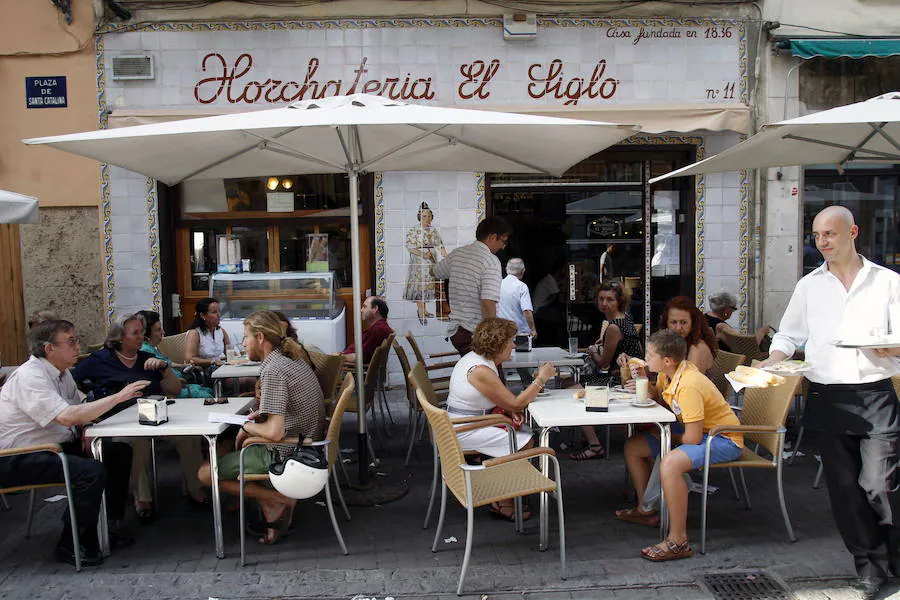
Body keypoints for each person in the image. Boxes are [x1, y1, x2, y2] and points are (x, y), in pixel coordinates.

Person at [759, 205, 900, 600]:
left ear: (853, 232)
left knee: (880, 485)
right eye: (817, 236)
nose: (822, 242)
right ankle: (870, 569)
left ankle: (894, 554)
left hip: (875, 394)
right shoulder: (809, 286)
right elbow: (789, 336)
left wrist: (889, 347)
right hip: (827, 397)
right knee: (845, 493)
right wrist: (771, 361)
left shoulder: (888, 283)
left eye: (830, 234)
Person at [0, 320, 147, 566]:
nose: (78, 346)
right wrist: (119, 396)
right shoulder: (30, 376)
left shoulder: (62, 372)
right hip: (16, 456)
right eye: (71, 341)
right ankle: (73, 541)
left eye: (76, 340)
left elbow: (79, 410)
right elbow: (66, 415)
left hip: (53, 447)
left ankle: (108, 524)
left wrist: (84, 429)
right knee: (90, 472)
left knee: (118, 452)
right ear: (49, 349)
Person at [197, 310, 326, 545]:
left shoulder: (273, 369)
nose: (243, 344)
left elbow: (274, 432)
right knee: (225, 448)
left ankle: (276, 499)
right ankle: (267, 503)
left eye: (245, 337)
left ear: (260, 338)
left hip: (289, 452)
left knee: (205, 473)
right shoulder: (290, 358)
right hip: (306, 441)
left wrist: (247, 428)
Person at [616, 330, 743, 561]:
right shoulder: (669, 374)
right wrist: (643, 377)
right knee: (634, 447)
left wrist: (668, 439)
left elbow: (692, 438)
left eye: (650, 354)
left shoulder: (688, 386)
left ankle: (678, 540)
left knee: (671, 463)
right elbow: (659, 396)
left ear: (667, 360)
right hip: (700, 432)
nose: (645, 356)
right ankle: (646, 509)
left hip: (722, 438)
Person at [73, 314, 205, 523]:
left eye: (142, 332)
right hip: (120, 422)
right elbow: (73, 381)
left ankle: (196, 488)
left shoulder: (146, 360)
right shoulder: (101, 359)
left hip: (155, 416)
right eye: (134, 333)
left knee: (187, 436)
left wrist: (164, 368)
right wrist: (89, 408)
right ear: (119, 337)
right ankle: (143, 499)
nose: (140, 337)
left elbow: (175, 389)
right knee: (137, 443)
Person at [445, 317, 555, 521]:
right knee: (524, 441)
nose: (513, 345)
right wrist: (541, 378)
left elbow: (498, 400)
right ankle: (503, 500)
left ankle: (506, 491)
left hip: (464, 422)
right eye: (510, 341)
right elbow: (516, 403)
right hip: (463, 430)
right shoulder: (481, 370)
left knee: (523, 433)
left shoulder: (478, 360)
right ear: (498, 344)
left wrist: (504, 408)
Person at [571, 282, 643, 460]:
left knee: (573, 389)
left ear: (619, 301)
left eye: (609, 299)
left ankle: (594, 444)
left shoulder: (613, 327)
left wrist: (593, 351)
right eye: (601, 299)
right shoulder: (625, 320)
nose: (604, 303)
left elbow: (603, 364)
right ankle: (587, 432)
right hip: (628, 378)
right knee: (570, 384)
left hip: (619, 381)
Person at [433, 216, 512, 355]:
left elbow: (435, 272)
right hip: (475, 333)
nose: (503, 246)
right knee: (491, 376)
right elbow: (488, 303)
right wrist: (492, 338)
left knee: (473, 375)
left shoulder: (457, 254)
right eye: (503, 241)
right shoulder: (490, 261)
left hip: (457, 331)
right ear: (493, 237)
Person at [136, 310, 213, 398]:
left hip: (180, 383)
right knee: (204, 394)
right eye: (158, 330)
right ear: (146, 333)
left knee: (208, 390)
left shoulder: (152, 348)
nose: (163, 332)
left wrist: (183, 365)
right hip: (173, 390)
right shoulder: (145, 351)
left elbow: (168, 363)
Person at [404, 202, 448, 325]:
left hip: (431, 260)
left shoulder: (433, 231)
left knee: (430, 285)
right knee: (420, 286)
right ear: (419, 217)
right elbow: (410, 246)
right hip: (419, 261)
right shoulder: (414, 230)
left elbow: (439, 244)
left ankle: (425, 310)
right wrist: (423, 254)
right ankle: (421, 311)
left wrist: (447, 256)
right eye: (424, 216)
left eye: (429, 216)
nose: (427, 219)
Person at [497, 258, 537, 386]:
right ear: (522, 271)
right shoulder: (521, 287)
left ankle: (502, 392)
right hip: (521, 334)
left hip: (502, 334)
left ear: (506, 270)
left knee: (501, 366)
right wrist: (533, 329)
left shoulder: (497, 285)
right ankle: (529, 392)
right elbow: (527, 312)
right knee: (525, 366)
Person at [184, 297, 230, 386]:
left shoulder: (221, 331)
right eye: (214, 312)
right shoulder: (195, 333)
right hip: (203, 372)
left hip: (221, 368)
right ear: (203, 315)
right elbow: (189, 359)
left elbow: (229, 352)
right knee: (245, 381)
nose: (219, 315)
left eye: (219, 311)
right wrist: (212, 361)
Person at [704, 291, 770, 352]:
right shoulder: (721, 327)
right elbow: (746, 348)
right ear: (726, 309)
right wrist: (762, 332)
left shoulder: (703, 318)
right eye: (733, 309)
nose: (732, 312)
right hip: (728, 361)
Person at [342, 296, 393, 365]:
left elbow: (362, 357)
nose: (361, 310)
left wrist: (340, 357)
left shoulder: (378, 330)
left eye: (364, 307)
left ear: (375, 309)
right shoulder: (380, 327)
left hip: (350, 368)